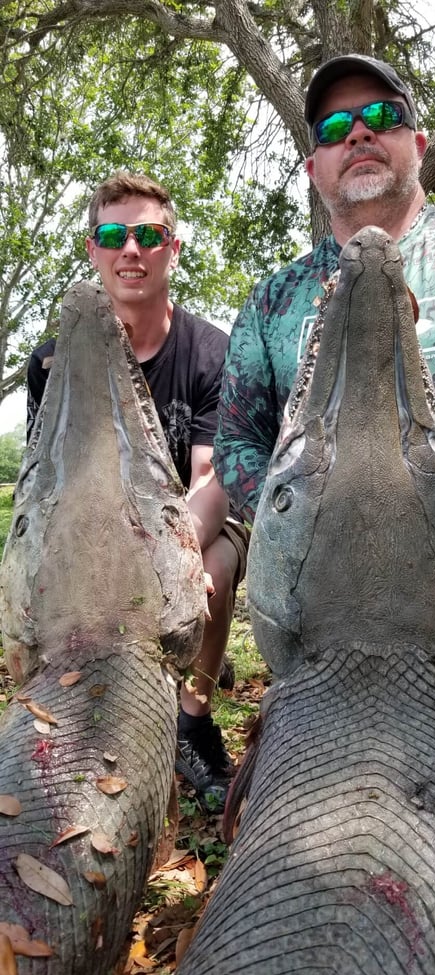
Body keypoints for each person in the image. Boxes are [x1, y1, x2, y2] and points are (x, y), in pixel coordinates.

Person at [213, 55, 435, 800]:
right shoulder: (273, 300)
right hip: (314, 625)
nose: (358, 133)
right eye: (335, 127)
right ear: (313, 166)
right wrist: (286, 502)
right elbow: (235, 439)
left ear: (418, 143)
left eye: (381, 116)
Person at [26, 171, 249, 812]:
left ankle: (192, 717)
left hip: (189, 520)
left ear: (171, 249)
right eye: (113, 235)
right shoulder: (49, 364)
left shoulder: (213, 353)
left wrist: (172, 554)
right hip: (96, 522)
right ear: (93, 250)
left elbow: (210, 478)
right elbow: (54, 481)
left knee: (214, 568)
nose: (131, 249)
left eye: (149, 234)